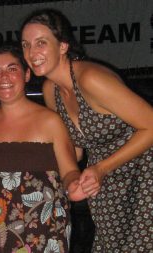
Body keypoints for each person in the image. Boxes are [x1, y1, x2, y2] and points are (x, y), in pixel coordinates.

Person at [0, 43, 100, 253]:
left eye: (12, 69)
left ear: (27, 75)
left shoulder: (50, 121)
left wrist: (75, 185)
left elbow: (69, 170)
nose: (4, 77)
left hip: (43, 234)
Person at [20, 8, 153, 252]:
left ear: (63, 46)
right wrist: (71, 179)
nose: (31, 53)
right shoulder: (52, 91)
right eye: (26, 45)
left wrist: (102, 168)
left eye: (41, 43)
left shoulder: (90, 78)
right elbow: (75, 151)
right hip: (107, 187)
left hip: (144, 175)